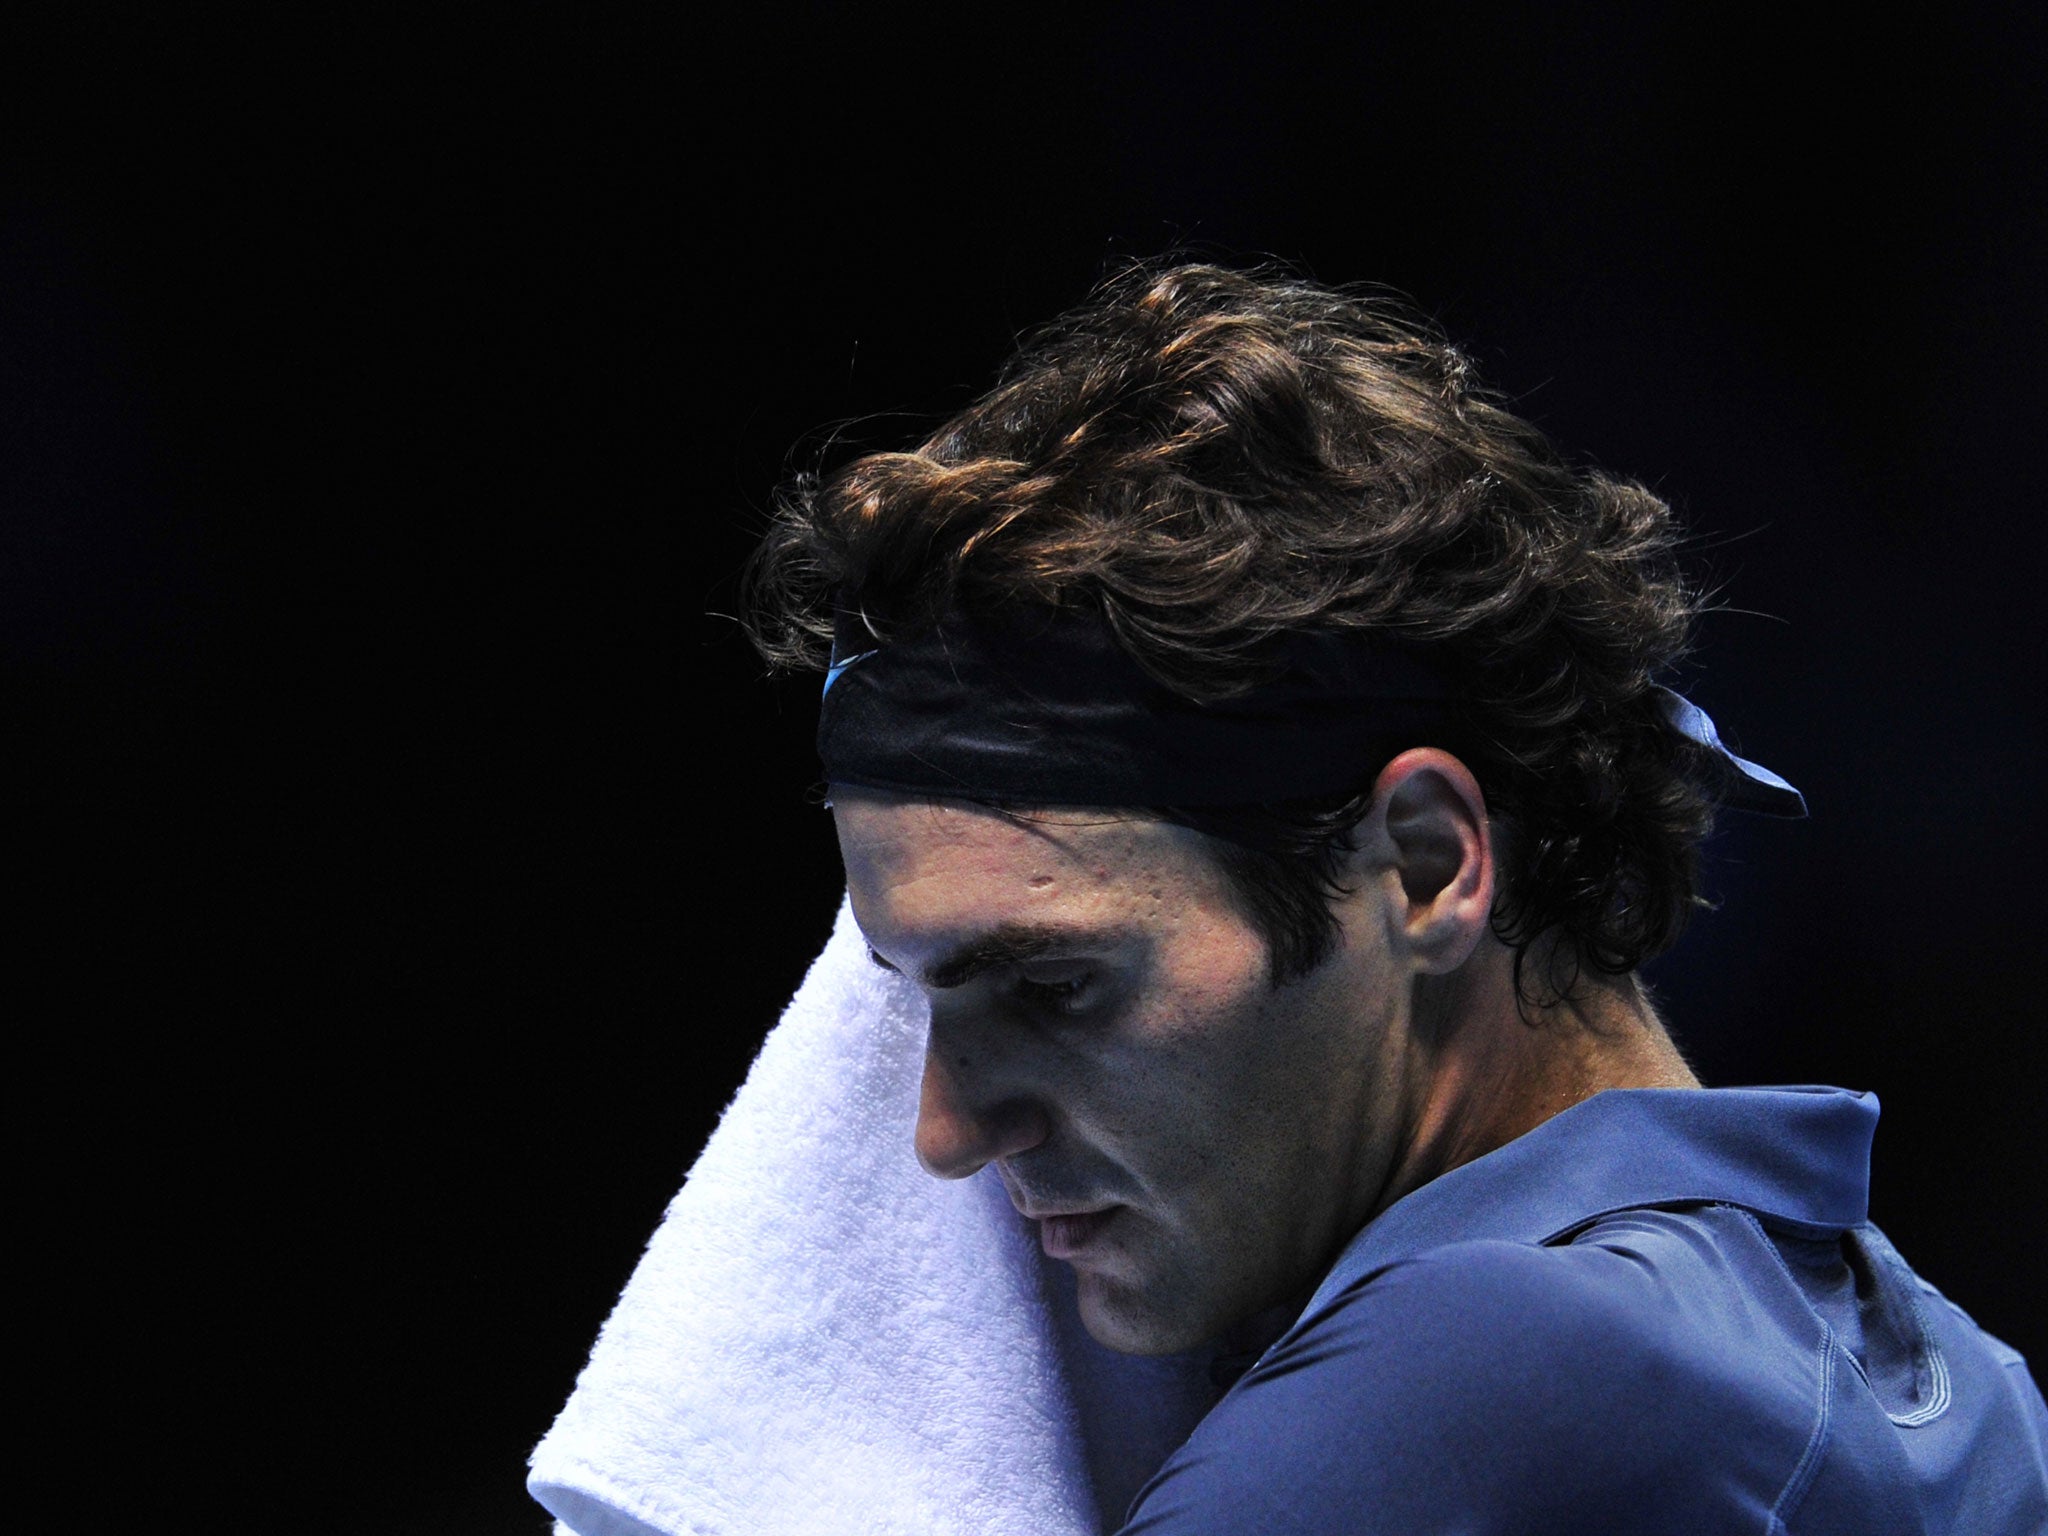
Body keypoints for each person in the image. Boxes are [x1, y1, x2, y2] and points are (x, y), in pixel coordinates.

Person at [740, 263, 2048, 1532]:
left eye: (1055, 982)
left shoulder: (1483, 1374)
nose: (947, 1132)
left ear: (1426, 864)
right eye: (912, 993)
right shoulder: (1986, 1397)